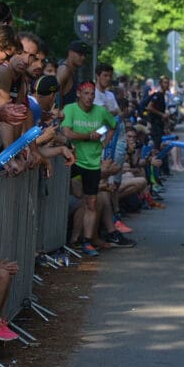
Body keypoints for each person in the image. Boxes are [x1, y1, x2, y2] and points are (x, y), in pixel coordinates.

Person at [62, 81, 124, 255]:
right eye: (86, 93)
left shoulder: (101, 111)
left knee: (91, 202)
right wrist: (89, 136)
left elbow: (113, 125)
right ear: (78, 94)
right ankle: (70, 238)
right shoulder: (70, 109)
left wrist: (103, 140)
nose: (90, 97)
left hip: (92, 163)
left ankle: (87, 241)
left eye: (92, 94)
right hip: (73, 161)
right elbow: (67, 132)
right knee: (76, 195)